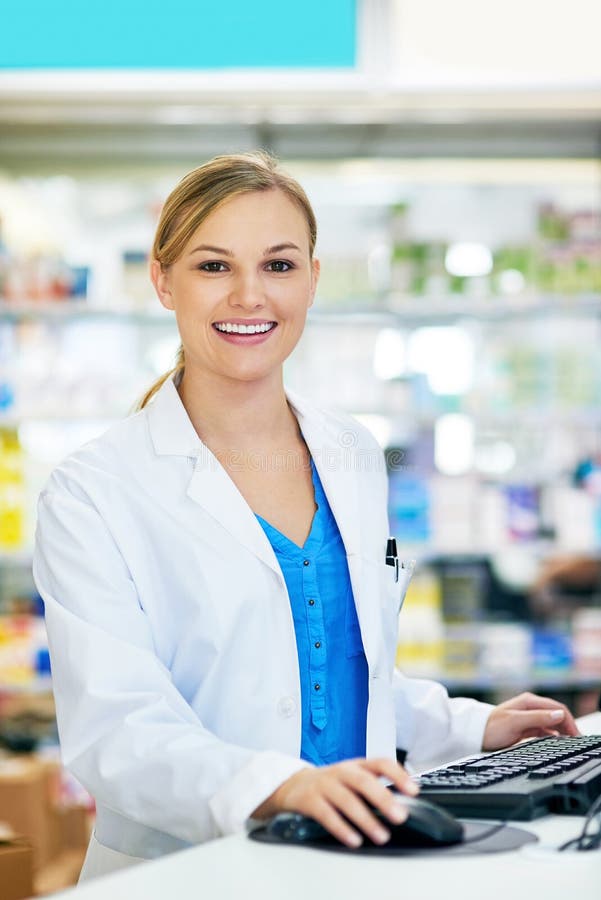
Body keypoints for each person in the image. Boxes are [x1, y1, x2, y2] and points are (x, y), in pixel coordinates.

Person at [33, 151, 579, 880]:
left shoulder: (349, 449)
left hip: (352, 858)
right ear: (163, 281)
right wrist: (280, 786)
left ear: (314, 279)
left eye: (279, 266)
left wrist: (472, 725)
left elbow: (334, 672)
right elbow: (118, 734)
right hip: (188, 873)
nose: (250, 296)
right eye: (213, 266)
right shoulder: (94, 491)